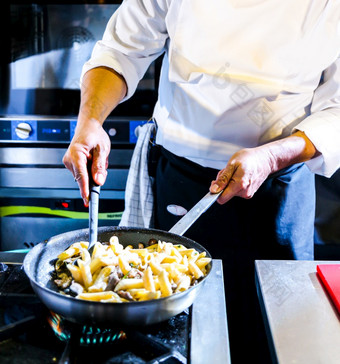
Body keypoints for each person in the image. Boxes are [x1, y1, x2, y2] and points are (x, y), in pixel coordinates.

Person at [63, 1, 340, 363]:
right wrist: (90, 122)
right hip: (181, 176)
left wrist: (271, 156)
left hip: (277, 187)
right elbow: (121, 49)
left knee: (274, 334)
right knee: (170, 335)